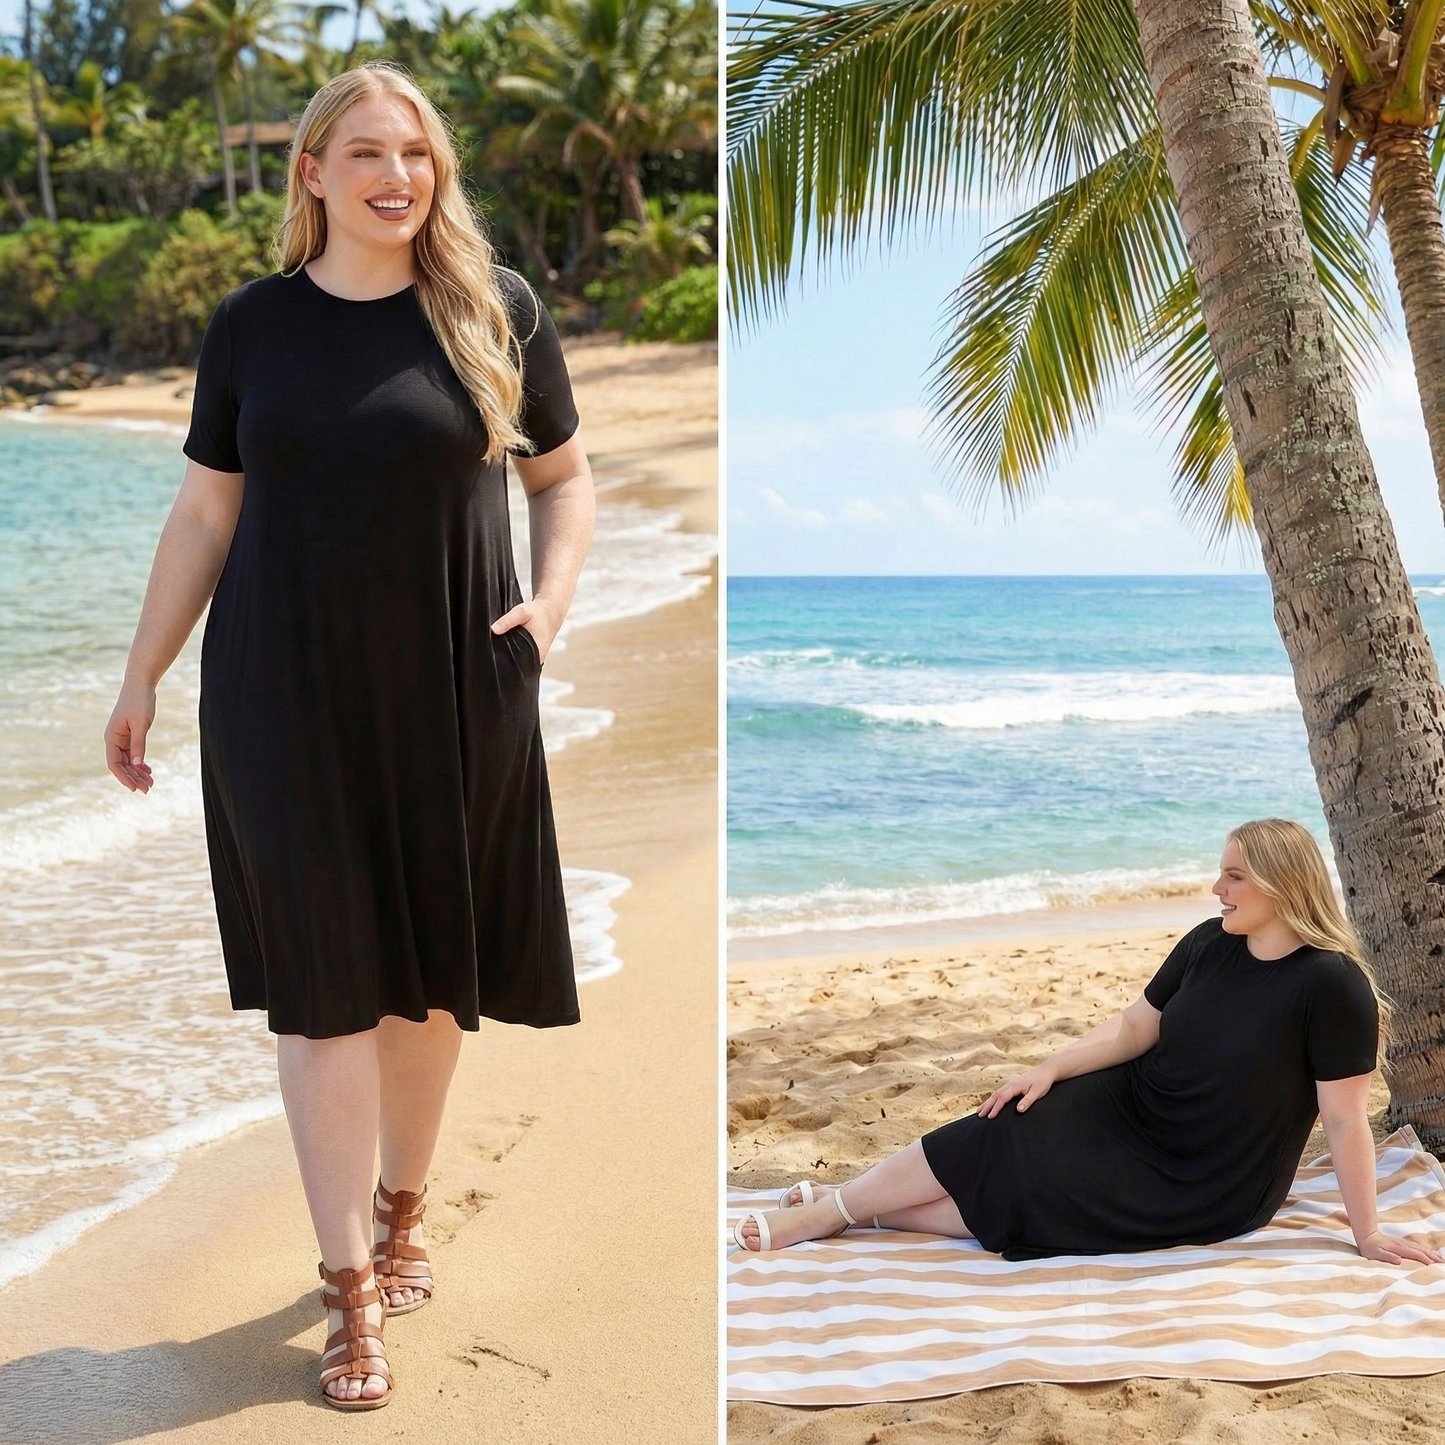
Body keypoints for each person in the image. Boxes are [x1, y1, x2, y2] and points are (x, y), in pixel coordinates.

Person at [104, 62, 595, 1410]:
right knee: (324, 991)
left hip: (457, 689)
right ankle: (349, 1290)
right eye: (367, 152)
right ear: (312, 172)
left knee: (428, 986)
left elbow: (562, 480)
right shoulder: (250, 326)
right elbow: (206, 513)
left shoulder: (495, 310)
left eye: (417, 153)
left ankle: (403, 1206)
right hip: (280, 695)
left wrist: (548, 607)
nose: (397, 176)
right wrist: (141, 674)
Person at [733, 818, 1444, 1271]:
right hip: (1133, 1104)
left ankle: (839, 1208)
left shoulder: (1331, 985)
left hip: (1209, 1172)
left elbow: (1345, 1118)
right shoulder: (1208, 942)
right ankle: (839, 1208)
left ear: (1281, 886)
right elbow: (1135, 1028)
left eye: (1234, 876)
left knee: (1031, 1199)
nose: (1215, 887)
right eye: (1220, 871)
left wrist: (1367, 1233)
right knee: (1001, 1124)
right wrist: (1048, 1069)